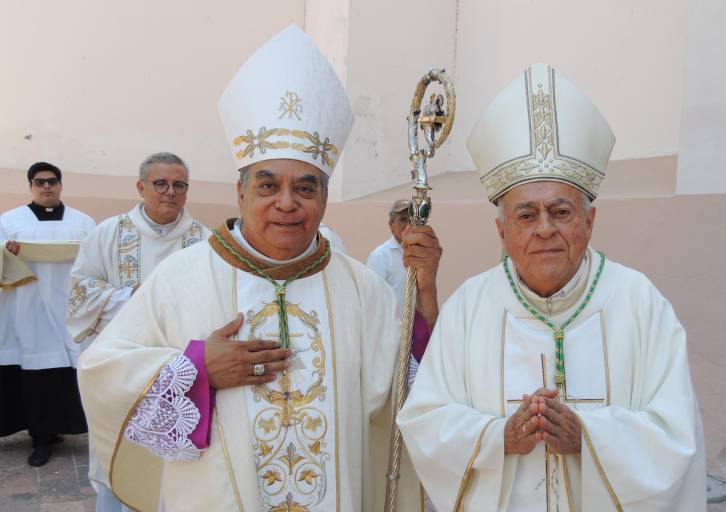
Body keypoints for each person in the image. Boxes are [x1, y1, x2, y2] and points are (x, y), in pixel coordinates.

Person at [78, 25, 440, 511]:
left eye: (305, 188)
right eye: (268, 186)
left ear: (324, 199)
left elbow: (410, 389)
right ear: (241, 192)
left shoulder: (363, 289)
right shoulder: (181, 277)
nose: (287, 203)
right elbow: (101, 372)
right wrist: (195, 369)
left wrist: (425, 294)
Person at [397, 64, 705, 511]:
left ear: (590, 221)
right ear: (502, 232)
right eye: (526, 216)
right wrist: (499, 437)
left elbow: (677, 435)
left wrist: (588, 437)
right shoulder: (469, 309)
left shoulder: (641, 304)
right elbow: (426, 421)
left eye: (561, 212)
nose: (544, 229)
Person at [67, 151, 210, 511]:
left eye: (179, 185)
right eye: (160, 184)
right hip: (123, 369)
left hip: (179, 369)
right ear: (140, 187)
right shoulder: (108, 233)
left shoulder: (205, 242)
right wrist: (136, 297)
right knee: (122, 458)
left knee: (175, 464)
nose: (170, 192)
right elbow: (81, 290)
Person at [0, 161, 95, 466]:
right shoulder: (9, 221)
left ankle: (58, 429)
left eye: (51, 181)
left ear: (60, 185)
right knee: (35, 372)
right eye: (39, 182)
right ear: (30, 186)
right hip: (26, 310)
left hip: (70, 309)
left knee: (65, 370)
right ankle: (40, 437)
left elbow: (97, 261)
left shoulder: (83, 222)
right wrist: (6, 252)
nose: (46, 187)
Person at [366, 199, 410, 310]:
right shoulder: (380, 256)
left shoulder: (420, 254)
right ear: (391, 224)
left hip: (415, 321)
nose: (408, 225)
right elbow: (372, 299)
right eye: (403, 220)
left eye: (412, 220)